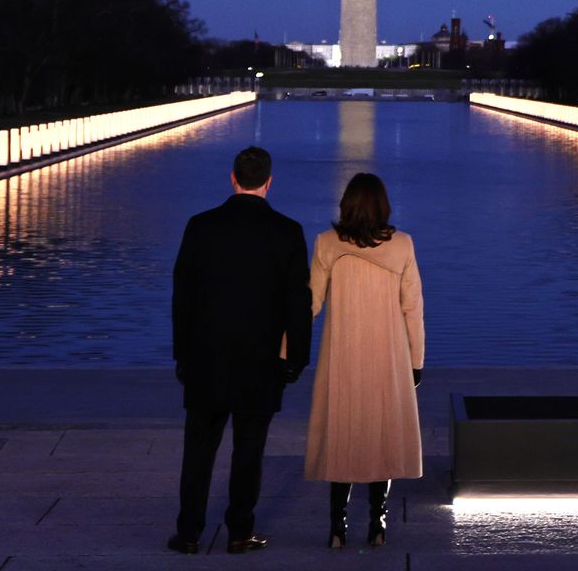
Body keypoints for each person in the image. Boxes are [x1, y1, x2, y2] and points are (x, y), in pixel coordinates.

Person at [168, 146, 312, 555]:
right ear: (269, 182)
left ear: (233, 178)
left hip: (206, 357)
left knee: (198, 450)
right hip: (260, 360)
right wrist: (296, 358)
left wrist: (182, 354)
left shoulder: (200, 226)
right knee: (249, 450)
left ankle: (190, 532)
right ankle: (239, 531)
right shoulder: (287, 231)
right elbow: (297, 303)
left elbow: (183, 297)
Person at [304, 173, 424, 549]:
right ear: (384, 206)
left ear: (346, 205)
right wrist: (416, 361)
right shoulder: (402, 245)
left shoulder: (326, 244)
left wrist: (283, 349)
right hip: (387, 358)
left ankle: (337, 527)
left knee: (342, 437)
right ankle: (378, 523)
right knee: (381, 438)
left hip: (342, 356)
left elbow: (310, 304)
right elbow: (413, 310)